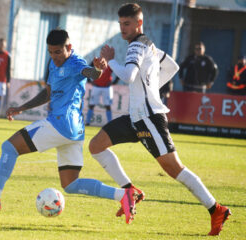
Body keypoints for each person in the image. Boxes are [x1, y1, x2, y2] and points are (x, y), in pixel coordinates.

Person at [0, 29, 141, 224]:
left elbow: (91, 73)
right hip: (74, 132)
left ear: (69, 48)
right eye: (50, 52)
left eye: (58, 52)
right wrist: (22, 108)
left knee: (9, 147)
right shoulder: (53, 63)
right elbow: (48, 93)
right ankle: (123, 195)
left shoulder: (76, 63)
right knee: (71, 184)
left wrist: (100, 68)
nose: (54, 57)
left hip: (59, 124)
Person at [89, 3, 230, 236]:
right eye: (121, 24)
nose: (123, 29)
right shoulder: (150, 46)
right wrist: (152, 88)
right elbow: (172, 67)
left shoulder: (136, 46)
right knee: (96, 146)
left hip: (148, 119)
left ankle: (216, 209)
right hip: (135, 117)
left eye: (127, 24)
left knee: (174, 169)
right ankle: (130, 190)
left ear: (138, 23)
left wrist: (110, 60)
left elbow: (128, 75)